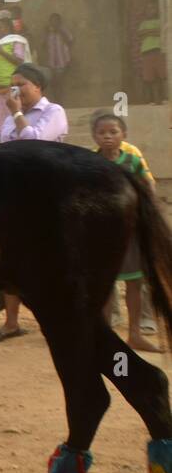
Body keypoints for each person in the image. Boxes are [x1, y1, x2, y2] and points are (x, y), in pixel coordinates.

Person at [0, 63, 67, 343]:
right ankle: (11, 323)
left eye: (20, 84)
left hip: (47, 196)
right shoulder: (10, 116)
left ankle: (60, 320)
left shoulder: (53, 112)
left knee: (52, 259)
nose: (15, 90)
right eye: (12, 84)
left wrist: (17, 112)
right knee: (12, 260)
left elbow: (34, 145)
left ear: (37, 86)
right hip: (15, 197)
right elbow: (5, 147)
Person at [93, 114, 160, 351]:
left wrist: (148, 215)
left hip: (130, 230)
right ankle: (107, 337)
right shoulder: (92, 162)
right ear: (95, 137)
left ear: (124, 135)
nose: (108, 137)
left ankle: (134, 334)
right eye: (102, 133)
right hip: (104, 233)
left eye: (113, 132)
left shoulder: (132, 159)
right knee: (105, 283)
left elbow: (148, 186)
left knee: (134, 283)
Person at [0, 11, 31, 135]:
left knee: (14, 118)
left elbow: (19, 60)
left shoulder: (16, 41)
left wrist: (2, 52)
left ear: (7, 28)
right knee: (2, 123)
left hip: (12, 88)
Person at [43, 13, 74, 104]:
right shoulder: (48, 32)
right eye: (52, 20)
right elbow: (44, 45)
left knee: (60, 82)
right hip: (51, 62)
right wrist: (47, 33)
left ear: (59, 22)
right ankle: (56, 101)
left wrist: (60, 32)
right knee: (53, 83)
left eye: (56, 20)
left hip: (62, 61)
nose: (54, 22)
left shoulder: (64, 31)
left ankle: (60, 101)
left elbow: (70, 41)